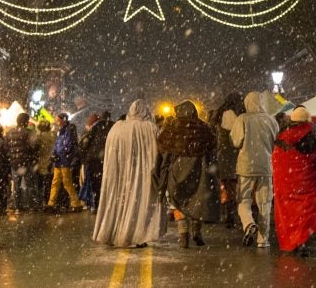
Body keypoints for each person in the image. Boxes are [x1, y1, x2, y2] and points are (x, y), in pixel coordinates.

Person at [93, 99, 166, 247]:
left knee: (119, 201)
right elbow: (157, 154)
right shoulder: (150, 128)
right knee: (139, 203)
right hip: (142, 174)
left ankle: (113, 231)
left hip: (120, 175)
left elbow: (111, 155)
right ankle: (137, 234)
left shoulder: (117, 128)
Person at [155, 100, 220, 248]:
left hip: (178, 169)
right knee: (197, 200)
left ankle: (183, 235)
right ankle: (196, 230)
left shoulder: (172, 127)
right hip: (200, 169)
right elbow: (213, 149)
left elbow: (163, 149)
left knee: (178, 199)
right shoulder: (205, 128)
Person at [230, 91, 279, 248]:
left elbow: (236, 142)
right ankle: (263, 239)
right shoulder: (272, 121)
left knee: (243, 200)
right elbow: (276, 143)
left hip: (246, 166)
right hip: (266, 166)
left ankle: (249, 223)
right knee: (265, 202)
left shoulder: (242, 119)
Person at [273, 106, 316, 255]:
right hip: (306, 183)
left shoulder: (282, 136)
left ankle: (292, 241)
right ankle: (302, 240)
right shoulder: (311, 135)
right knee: (305, 211)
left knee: (289, 213)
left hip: (286, 184)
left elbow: (277, 159)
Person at [211, 92, 244, 229]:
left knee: (224, 185)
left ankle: (227, 214)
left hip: (222, 154)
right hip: (234, 154)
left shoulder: (220, 113)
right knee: (233, 186)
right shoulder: (235, 115)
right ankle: (232, 215)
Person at [47, 113, 84, 212]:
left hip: (64, 160)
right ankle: (52, 203)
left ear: (63, 120)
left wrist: (57, 154)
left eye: (58, 120)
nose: (56, 122)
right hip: (60, 160)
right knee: (57, 182)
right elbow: (58, 144)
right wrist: (54, 154)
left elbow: (66, 145)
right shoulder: (62, 131)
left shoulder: (68, 130)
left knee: (66, 183)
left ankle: (75, 203)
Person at [79, 111, 114, 214]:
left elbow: (85, 143)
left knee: (95, 183)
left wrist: (85, 156)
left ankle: (96, 204)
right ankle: (107, 205)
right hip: (108, 158)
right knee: (107, 182)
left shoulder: (96, 127)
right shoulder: (113, 126)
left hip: (94, 159)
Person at [6, 113, 40, 212]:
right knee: (30, 185)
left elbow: (6, 148)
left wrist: (12, 158)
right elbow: (34, 147)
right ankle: (32, 206)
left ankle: (17, 207)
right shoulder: (28, 133)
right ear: (25, 121)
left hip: (14, 164)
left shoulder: (9, 133)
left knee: (16, 186)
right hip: (26, 163)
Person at [35, 120, 56, 205]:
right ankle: (49, 201)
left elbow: (36, 149)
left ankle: (40, 202)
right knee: (50, 184)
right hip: (51, 163)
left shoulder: (39, 137)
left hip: (41, 164)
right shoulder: (53, 135)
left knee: (40, 184)